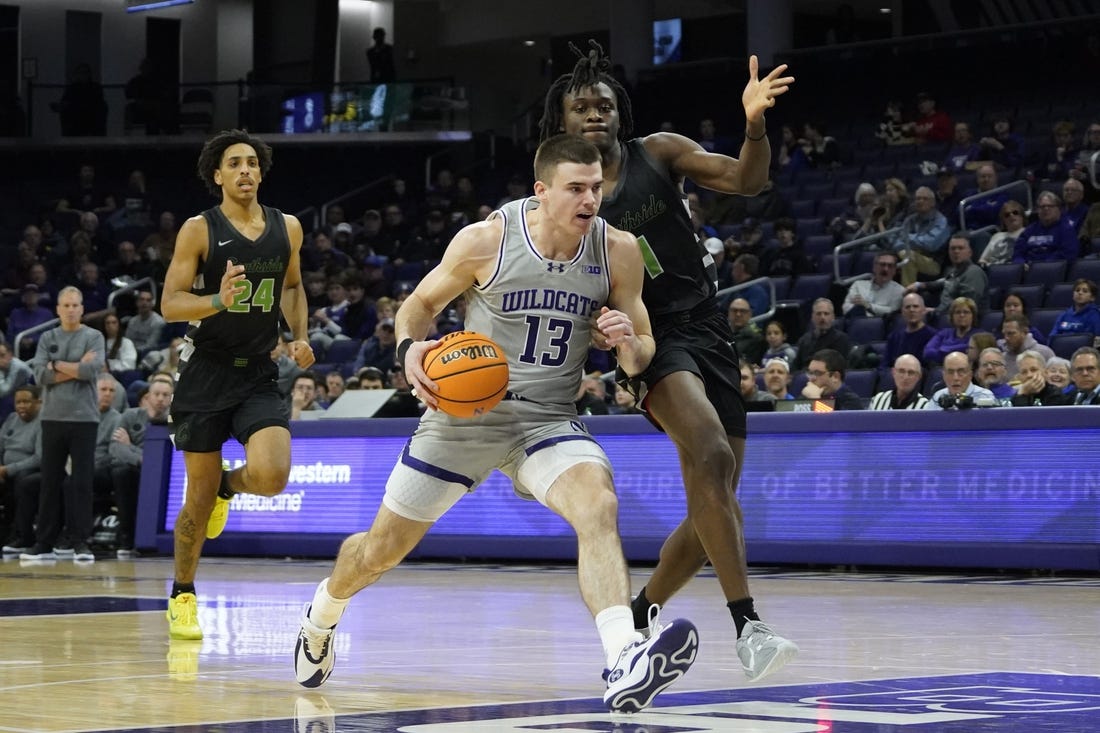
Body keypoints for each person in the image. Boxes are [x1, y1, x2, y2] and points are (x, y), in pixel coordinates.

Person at [293, 134, 699, 712]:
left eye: (597, 189)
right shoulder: (489, 239)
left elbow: (641, 352)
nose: (590, 200)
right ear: (541, 192)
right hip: (465, 419)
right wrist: (410, 347)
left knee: (599, 506)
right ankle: (322, 613)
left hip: (548, 420)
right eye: (576, 189)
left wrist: (630, 344)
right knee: (379, 553)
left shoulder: (619, 250)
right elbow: (418, 306)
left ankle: (624, 657)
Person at [540, 42, 797, 680]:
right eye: (580, 106)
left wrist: (755, 125)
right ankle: (749, 627)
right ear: (562, 122)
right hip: (650, 339)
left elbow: (748, 180)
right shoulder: (565, 192)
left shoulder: (660, 153)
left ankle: (643, 610)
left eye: (602, 103)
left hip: (709, 326)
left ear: (620, 113)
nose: (593, 113)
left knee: (715, 495)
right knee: (711, 457)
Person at [160, 129, 315, 640]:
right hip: (205, 371)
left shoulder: (287, 227)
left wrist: (299, 337)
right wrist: (219, 301)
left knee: (272, 475)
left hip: (258, 371)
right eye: (235, 163)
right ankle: (183, 592)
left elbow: (292, 287)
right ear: (218, 175)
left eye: (252, 162)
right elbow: (170, 304)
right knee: (196, 502)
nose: (246, 170)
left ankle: (233, 484)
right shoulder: (197, 230)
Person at [20, 287, 105, 563]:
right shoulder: (47, 337)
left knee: (81, 482)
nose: (70, 309)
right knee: (49, 481)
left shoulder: (94, 336)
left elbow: (91, 371)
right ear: (57, 308)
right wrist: (75, 367)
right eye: (66, 305)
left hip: (84, 419)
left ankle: (80, 541)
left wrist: (57, 365)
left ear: (82, 308)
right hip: (52, 418)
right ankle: (44, 542)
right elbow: (40, 376)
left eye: (75, 305)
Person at [109, 379, 173, 556]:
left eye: (165, 395)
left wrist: (130, 446)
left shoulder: (175, 422)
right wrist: (143, 459)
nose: (160, 399)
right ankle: (126, 538)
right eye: (156, 394)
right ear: (148, 396)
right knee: (121, 472)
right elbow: (115, 448)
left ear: (171, 398)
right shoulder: (130, 416)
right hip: (134, 468)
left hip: (163, 473)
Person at [0, 385, 43, 554]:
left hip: (29, 470)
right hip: (4, 470)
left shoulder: (43, 422)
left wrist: (7, 470)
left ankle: (23, 536)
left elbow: (39, 458)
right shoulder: (11, 419)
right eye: (18, 402)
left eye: (26, 402)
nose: (22, 406)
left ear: (38, 403)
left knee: (23, 481)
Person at [909, 234, 989, 316]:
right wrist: (919, 285)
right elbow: (945, 281)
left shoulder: (974, 273)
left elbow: (966, 305)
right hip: (946, 317)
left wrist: (937, 311)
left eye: (960, 248)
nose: (956, 251)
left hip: (962, 321)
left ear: (970, 252)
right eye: (953, 248)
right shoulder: (954, 271)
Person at [1012, 191, 1078, 265]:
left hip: (1053, 270)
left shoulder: (1066, 230)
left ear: (1058, 209)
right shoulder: (1029, 230)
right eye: (1042, 207)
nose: (1046, 209)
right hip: (1027, 270)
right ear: (1037, 210)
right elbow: (1017, 253)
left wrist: (1043, 266)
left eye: (1050, 206)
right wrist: (1021, 264)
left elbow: (1067, 254)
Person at [841, 250, 905, 319]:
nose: (885, 269)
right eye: (882, 264)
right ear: (874, 267)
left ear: (895, 270)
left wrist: (868, 306)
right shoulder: (858, 285)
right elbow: (846, 307)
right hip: (855, 322)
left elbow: (892, 311)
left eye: (890, 266)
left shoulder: (899, 290)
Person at [924, 351, 995, 410]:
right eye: (950, 372)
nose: (955, 378)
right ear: (944, 376)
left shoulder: (984, 396)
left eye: (961, 372)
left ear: (970, 375)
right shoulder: (937, 397)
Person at [794, 298, 850, 371]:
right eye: (818, 314)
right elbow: (797, 367)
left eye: (826, 314)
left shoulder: (842, 339)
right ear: (812, 317)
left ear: (833, 317)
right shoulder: (804, 340)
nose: (822, 317)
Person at [923, 297, 981, 366]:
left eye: (966, 312)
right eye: (957, 312)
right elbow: (927, 352)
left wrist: (942, 349)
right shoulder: (944, 333)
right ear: (952, 316)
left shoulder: (979, 336)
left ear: (973, 316)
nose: (962, 315)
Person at [998, 314, 1054, 380]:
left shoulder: (1045, 353)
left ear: (1025, 332)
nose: (1006, 338)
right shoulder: (1002, 359)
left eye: (1011, 333)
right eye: (1004, 334)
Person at [1048, 278, 1100, 344]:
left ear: (1092, 298)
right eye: (1077, 290)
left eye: (1085, 291)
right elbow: (1052, 337)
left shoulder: (1095, 315)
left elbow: (1096, 339)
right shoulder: (1064, 314)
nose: (1080, 293)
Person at [977, 201, 1027, 267]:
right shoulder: (997, 236)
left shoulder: (1029, 233)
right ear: (1003, 220)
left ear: (1022, 216)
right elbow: (983, 260)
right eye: (1007, 215)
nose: (1011, 215)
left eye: (1015, 212)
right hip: (995, 270)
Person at [727, 298, 765, 366]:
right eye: (734, 310)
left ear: (749, 314)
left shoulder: (757, 339)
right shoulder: (720, 335)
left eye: (742, 311)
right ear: (729, 313)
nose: (738, 314)